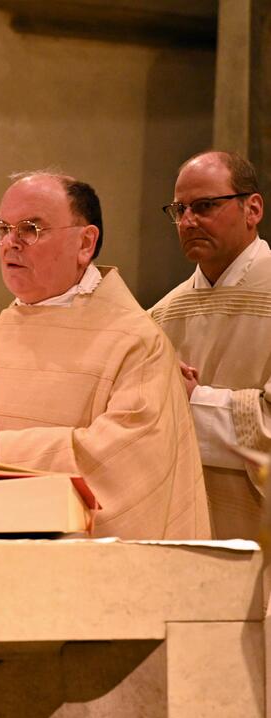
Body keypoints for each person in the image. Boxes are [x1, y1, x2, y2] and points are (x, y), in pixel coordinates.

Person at [0, 171, 208, 539]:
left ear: (85, 242)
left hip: (66, 579)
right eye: (3, 229)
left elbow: (130, 463)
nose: (10, 243)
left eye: (30, 228)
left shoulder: (135, 344)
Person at [149, 151, 271, 539]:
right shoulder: (160, 317)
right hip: (184, 529)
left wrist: (190, 399)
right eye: (179, 209)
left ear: (252, 209)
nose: (187, 222)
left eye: (204, 206)